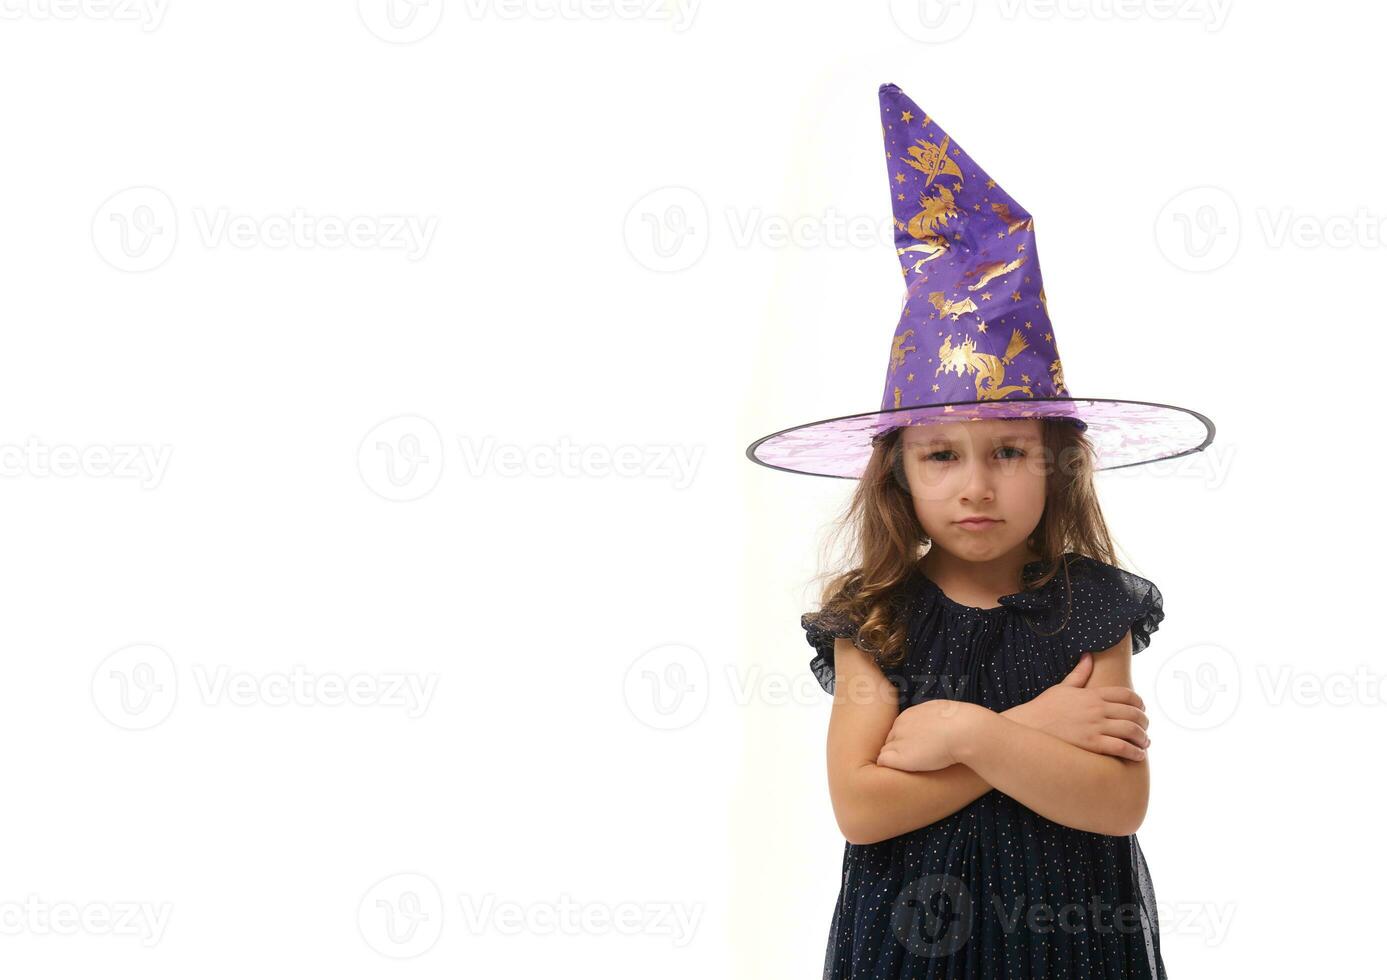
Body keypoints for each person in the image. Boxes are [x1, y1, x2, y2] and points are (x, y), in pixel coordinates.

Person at [744, 83, 1216, 979]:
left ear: (1056, 462)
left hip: (1073, 943)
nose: (976, 487)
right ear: (897, 473)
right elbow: (861, 806)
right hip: (910, 945)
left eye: (1007, 451)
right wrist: (1035, 728)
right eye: (939, 458)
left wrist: (965, 733)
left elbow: (1117, 804)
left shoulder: (1091, 605)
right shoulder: (873, 617)